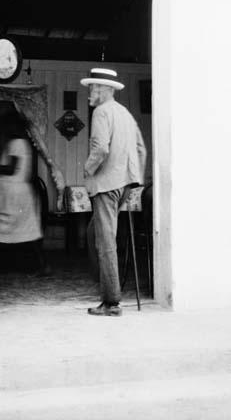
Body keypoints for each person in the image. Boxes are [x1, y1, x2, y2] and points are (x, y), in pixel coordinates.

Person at [81, 68, 147, 317]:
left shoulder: (101, 111)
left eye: (92, 88)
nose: (90, 92)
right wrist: (134, 179)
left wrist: (87, 170)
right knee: (93, 234)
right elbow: (141, 149)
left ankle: (111, 302)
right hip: (122, 185)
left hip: (107, 185)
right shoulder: (125, 114)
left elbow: (100, 149)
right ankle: (106, 283)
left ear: (104, 89)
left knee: (105, 242)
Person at [0, 110, 50, 277]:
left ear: (13, 126)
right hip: (19, 194)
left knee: (0, 231)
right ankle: (40, 266)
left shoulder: (16, 143)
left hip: (13, 196)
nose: (4, 130)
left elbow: (11, 169)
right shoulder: (23, 143)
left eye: (6, 126)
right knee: (28, 231)